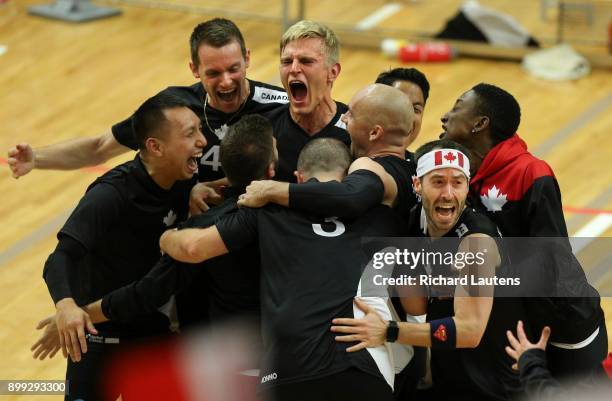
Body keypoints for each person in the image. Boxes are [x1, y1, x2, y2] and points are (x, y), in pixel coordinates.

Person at [159, 137, 405, 401]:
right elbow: (431, 279)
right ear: (347, 178)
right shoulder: (380, 214)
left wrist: (166, 237)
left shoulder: (265, 209)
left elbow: (194, 248)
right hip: (361, 366)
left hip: (286, 371)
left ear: (299, 178)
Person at [331, 139, 529, 400]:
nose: (448, 193)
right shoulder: (415, 220)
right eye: (438, 182)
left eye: (457, 182)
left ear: (467, 187)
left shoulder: (475, 243)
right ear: (417, 185)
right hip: (449, 378)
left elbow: (470, 330)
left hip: (493, 387)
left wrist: (388, 331)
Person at [42, 93, 205, 401]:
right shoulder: (110, 196)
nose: (203, 141)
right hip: (99, 335)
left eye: (199, 130)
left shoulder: (184, 180)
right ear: (155, 147)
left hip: (153, 330)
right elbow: (60, 258)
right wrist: (65, 307)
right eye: (190, 133)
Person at [440, 82, 607, 378]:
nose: (444, 116)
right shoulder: (460, 174)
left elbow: (551, 258)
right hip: (516, 320)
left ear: (480, 123)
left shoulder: (531, 173)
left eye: (456, 106)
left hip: (563, 319)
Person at [7, 18, 287, 189]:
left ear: (247, 59)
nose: (226, 81)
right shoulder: (172, 109)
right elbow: (98, 148)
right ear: (194, 69)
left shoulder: (281, 106)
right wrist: (37, 159)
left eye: (234, 69)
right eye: (213, 73)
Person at [239, 83, 418, 224]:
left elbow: (351, 197)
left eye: (352, 114)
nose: (344, 117)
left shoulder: (370, 166)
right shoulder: (413, 169)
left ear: (374, 133)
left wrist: (271, 190)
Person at [266, 20, 350, 182]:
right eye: (287, 61)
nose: (294, 69)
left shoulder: (354, 132)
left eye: (306, 61)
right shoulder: (266, 129)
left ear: (332, 72)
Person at [375, 67, 430, 155]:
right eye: (399, 104)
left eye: (415, 109)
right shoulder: (348, 150)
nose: (408, 116)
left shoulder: (420, 167)